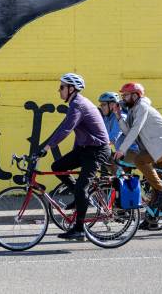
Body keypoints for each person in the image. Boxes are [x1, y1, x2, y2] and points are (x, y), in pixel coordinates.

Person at [41, 73, 111, 241]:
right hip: (85, 149)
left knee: (81, 188)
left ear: (71, 89)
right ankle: (79, 198)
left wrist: (47, 147)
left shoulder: (78, 104)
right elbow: (77, 132)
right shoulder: (76, 103)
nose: (59, 91)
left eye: (62, 87)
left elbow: (66, 128)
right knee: (58, 167)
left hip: (97, 151)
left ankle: (79, 229)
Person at [113, 82, 162, 229]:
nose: (123, 98)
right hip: (158, 147)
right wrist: (118, 116)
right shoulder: (133, 110)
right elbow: (127, 130)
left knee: (140, 161)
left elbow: (135, 131)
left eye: (125, 95)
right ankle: (151, 220)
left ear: (135, 95)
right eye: (122, 96)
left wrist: (122, 150)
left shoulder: (142, 107)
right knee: (152, 182)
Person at [97, 92, 139, 159]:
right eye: (101, 105)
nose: (101, 107)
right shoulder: (107, 118)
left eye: (103, 105)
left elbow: (112, 138)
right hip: (122, 152)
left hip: (133, 152)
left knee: (102, 156)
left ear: (112, 105)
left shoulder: (120, 117)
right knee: (103, 157)